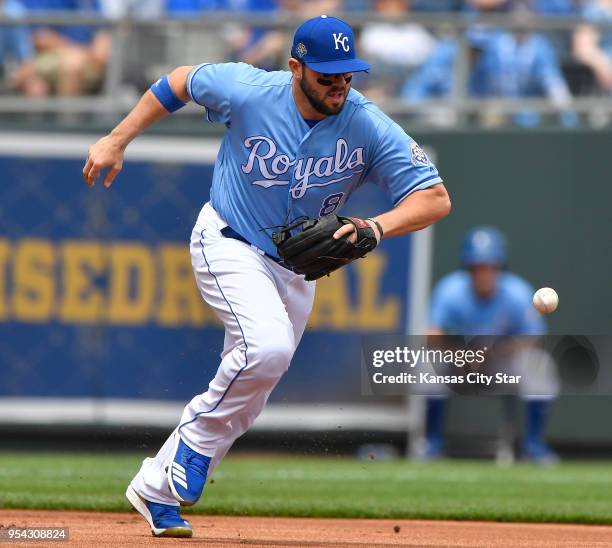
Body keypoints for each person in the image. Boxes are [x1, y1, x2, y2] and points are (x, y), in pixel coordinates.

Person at [83, 15, 450, 538]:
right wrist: (117, 139)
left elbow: (435, 197)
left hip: (298, 269)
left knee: (252, 390)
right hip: (228, 240)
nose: (339, 85)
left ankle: (155, 488)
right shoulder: (250, 89)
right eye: (327, 75)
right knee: (267, 348)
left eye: (347, 74)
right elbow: (180, 80)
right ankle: (191, 447)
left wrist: (375, 225)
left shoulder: (366, 124)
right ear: (295, 67)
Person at [423, 227, 559, 463]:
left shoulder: (517, 292)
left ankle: (534, 445)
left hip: (499, 363)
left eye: (490, 267)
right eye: (477, 267)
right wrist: (461, 354)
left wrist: (497, 350)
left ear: (499, 268)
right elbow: (432, 335)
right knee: (428, 363)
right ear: (468, 269)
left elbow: (535, 337)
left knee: (539, 364)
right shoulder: (451, 290)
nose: (484, 273)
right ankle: (432, 443)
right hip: (461, 364)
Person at [22, 0, 110, 96]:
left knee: (73, 64)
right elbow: (39, 38)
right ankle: (66, 110)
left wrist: (95, 54)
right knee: (36, 84)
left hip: (86, 58)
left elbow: (102, 36)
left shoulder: (91, 3)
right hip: (44, 56)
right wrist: (77, 52)